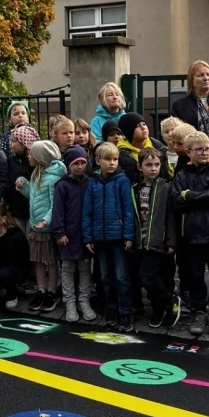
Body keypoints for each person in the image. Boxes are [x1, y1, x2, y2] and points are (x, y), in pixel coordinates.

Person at [171, 132, 209, 337]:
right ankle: (199, 310)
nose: (205, 152)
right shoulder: (182, 174)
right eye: (199, 149)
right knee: (195, 274)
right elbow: (177, 200)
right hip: (191, 232)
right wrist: (199, 197)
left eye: (207, 149)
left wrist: (189, 195)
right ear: (188, 152)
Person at [82, 142, 135, 331]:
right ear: (98, 161)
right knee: (105, 276)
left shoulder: (122, 181)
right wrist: (88, 237)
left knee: (121, 276)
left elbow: (128, 209)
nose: (112, 163)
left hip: (118, 238)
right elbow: (87, 211)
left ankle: (126, 311)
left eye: (115, 159)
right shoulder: (93, 183)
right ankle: (111, 308)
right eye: (108, 159)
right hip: (100, 238)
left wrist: (128, 235)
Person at [16, 140, 66, 315]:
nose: (28, 156)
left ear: (41, 157)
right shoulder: (36, 173)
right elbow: (34, 196)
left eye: (32, 154)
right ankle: (41, 289)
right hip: (35, 227)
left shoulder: (54, 178)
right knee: (37, 260)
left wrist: (46, 221)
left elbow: (55, 205)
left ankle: (52, 291)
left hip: (46, 229)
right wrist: (23, 186)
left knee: (50, 261)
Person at [131, 148, 179, 330]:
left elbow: (171, 217)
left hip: (160, 241)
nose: (153, 168)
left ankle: (169, 303)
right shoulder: (135, 189)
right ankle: (162, 307)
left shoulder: (166, 188)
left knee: (153, 275)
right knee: (148, 276)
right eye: (149, 165)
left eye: (157, 165)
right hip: (141, 241)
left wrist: (171, 241)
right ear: (140, 167)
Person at [51, 144, 96, 323]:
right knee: (68, 269)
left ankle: (84, 300)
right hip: (68, 235)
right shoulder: (62, 186)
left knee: (85, 269)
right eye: (76, 163)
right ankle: (69, 301)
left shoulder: (90, 183)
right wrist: (59, 232)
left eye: (83, 163)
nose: (80, 167)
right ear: (69, 165)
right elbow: (58, 211)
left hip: (84, 235)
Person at [115, 112, 169, 179]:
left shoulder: (159, 147)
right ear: (129, 131)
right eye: (138, 126)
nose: (143, 128)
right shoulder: (121, 154)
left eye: (144, 124)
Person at [7, 124, 38, 236]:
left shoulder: (34, 161)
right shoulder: (11, 160)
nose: (10, 144)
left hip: (32, 210)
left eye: (14, 141)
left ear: (24, 143)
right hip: (16, 209)